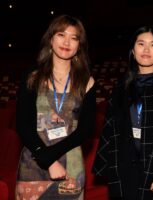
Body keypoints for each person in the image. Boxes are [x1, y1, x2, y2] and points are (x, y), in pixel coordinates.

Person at [92, 26, 153, 200]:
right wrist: (110, 169)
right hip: (124, 172)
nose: (146, 50)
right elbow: (110, 132)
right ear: (132, 50)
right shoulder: (121, 89)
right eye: (141, 44)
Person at [15, 15, 96, 199]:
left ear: (79, 46)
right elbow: (23, 124)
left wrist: (50, 157)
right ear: (51, 39)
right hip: (33, 162)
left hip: (71, 166)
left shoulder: (87, 82)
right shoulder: (32, 76)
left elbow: (86, 130)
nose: (67, 42)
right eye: (61, 34)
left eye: (74, 37)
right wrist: (47, 159)